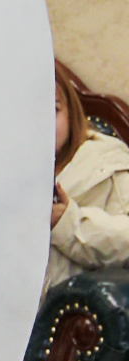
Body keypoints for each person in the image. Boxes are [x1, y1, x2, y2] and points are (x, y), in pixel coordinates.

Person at [48, 60, 129, 294]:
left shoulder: (105, 161)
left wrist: (66, 222)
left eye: (53, 111)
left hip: (70, 305)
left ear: (71, 112)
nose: (43, 124)